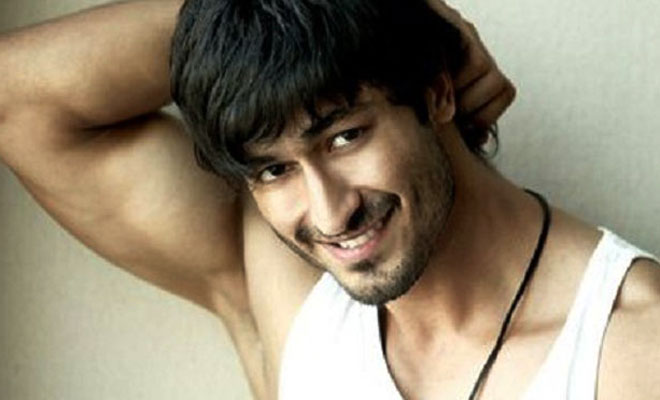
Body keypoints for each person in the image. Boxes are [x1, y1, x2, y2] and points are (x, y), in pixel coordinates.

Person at [0, 2, 656, 400]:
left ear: (434, 92)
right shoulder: (292, 291)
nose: (330, 214)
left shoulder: (630, 348)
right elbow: (16, 99)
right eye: (274, 170)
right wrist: (250, 20)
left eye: (345, 137)